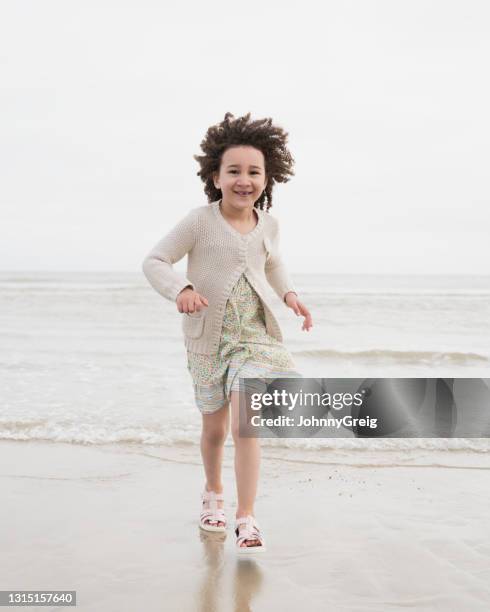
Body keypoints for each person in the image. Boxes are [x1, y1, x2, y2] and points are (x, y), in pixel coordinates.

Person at [142, 112, 313, 554]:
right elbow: (155, 261)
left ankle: (246, 516)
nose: (244, 179)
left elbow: (273, 263)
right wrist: (180, 289)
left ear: (267, 177)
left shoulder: (269, 224)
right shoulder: (198, 222)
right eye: (233, 171)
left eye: (253, 171)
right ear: (215, 177)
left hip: (255, 336)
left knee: (247, 424)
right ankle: (213, 494)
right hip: (207, 340)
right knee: (215, 428)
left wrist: (290, 294)